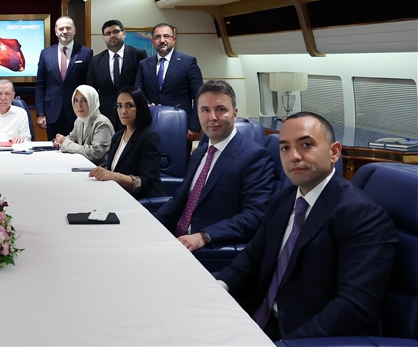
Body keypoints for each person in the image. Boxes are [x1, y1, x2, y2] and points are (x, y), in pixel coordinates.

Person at [217, 112, 398, 341]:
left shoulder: (362, 215)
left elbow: (353, 307)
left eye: (306, 145)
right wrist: (219, 286)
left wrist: (286, 344)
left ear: (334, 152)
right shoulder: (282, 200)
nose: (293, 156)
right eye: (285, 148)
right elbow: (252, 257)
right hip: (256, 318)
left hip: (305, 336)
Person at [154, 80, 274, 252]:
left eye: (220, 109)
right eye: (205, 110)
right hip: (175, 240)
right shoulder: (199, 153)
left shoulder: (255, 157)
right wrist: (149, 224)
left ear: (235, 114)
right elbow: (178, 200)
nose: (212, 117)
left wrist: (204, 236)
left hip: (208, 248)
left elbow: (255, 216)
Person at [89, 87, 164, 199]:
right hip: (118, 195)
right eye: (119, 106)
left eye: (129, 105)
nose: (123, 111)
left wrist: (115, 176)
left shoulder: (149, 137)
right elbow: (112, 170)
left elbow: (146, 182)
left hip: (142, 200)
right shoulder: (117, 137)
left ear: (140, 108)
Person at [135, 23, 204, 140]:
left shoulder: (188, 62)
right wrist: (145, 104)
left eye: (166, 36)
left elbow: (200, 97)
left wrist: (193, 127)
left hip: (180, 125)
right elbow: (138, 91)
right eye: (157, 37)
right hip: (150, 124)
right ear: (152, 41)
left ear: (174, 39)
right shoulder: (144, 64)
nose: (162, 40)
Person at [35, 16, 93, 140]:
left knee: (77, 147)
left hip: (77, 111)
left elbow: (89, 85)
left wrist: (89, 112)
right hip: (52, 112)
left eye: (68, 28)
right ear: (56, 32)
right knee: (53, 147)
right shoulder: (45, 54)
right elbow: (40, 85)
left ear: (74, 30)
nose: (65, 31)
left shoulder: (86, 53)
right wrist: (40, 113)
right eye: (61, 29)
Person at [87, 20, 147, 129]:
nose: (112, 35)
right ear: (104, 37)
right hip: (105, 115)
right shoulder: (95, 61)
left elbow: (145, 83)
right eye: (108, 33)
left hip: (132, 113)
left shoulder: (138, 55)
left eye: (115, 31)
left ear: (124, 33)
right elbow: (91, 90)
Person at [53, 84, 114, 166]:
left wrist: (66, 144)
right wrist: (60, 140)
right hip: (82, 166)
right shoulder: (79, 120)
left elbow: (95, 153)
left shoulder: (102, 123)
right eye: (76, 100)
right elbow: (72, 138)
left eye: (84, 100)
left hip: (99, 169)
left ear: (92, 101)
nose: (79, 105)